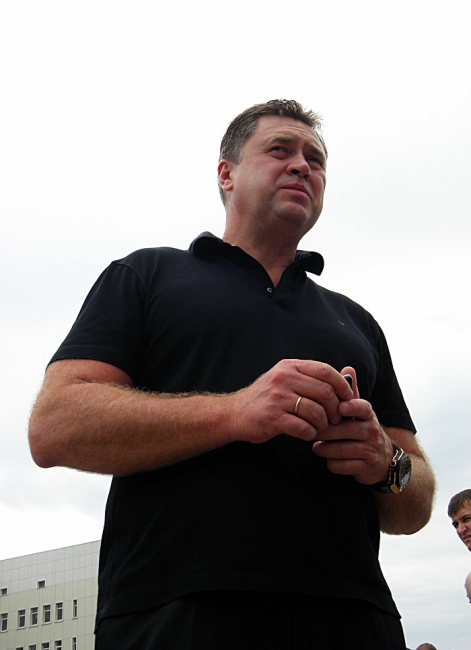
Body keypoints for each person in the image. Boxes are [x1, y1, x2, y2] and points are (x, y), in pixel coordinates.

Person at [28, 100, 435, 650]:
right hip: (174, 613)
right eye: (280, 150)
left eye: (316, 160)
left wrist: (386, 462)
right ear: (226, 174)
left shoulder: (358, 322)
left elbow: (417, 503)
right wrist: (235, 411)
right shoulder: (146, 275)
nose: (302, 166)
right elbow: (54, 426)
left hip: (356, 617)